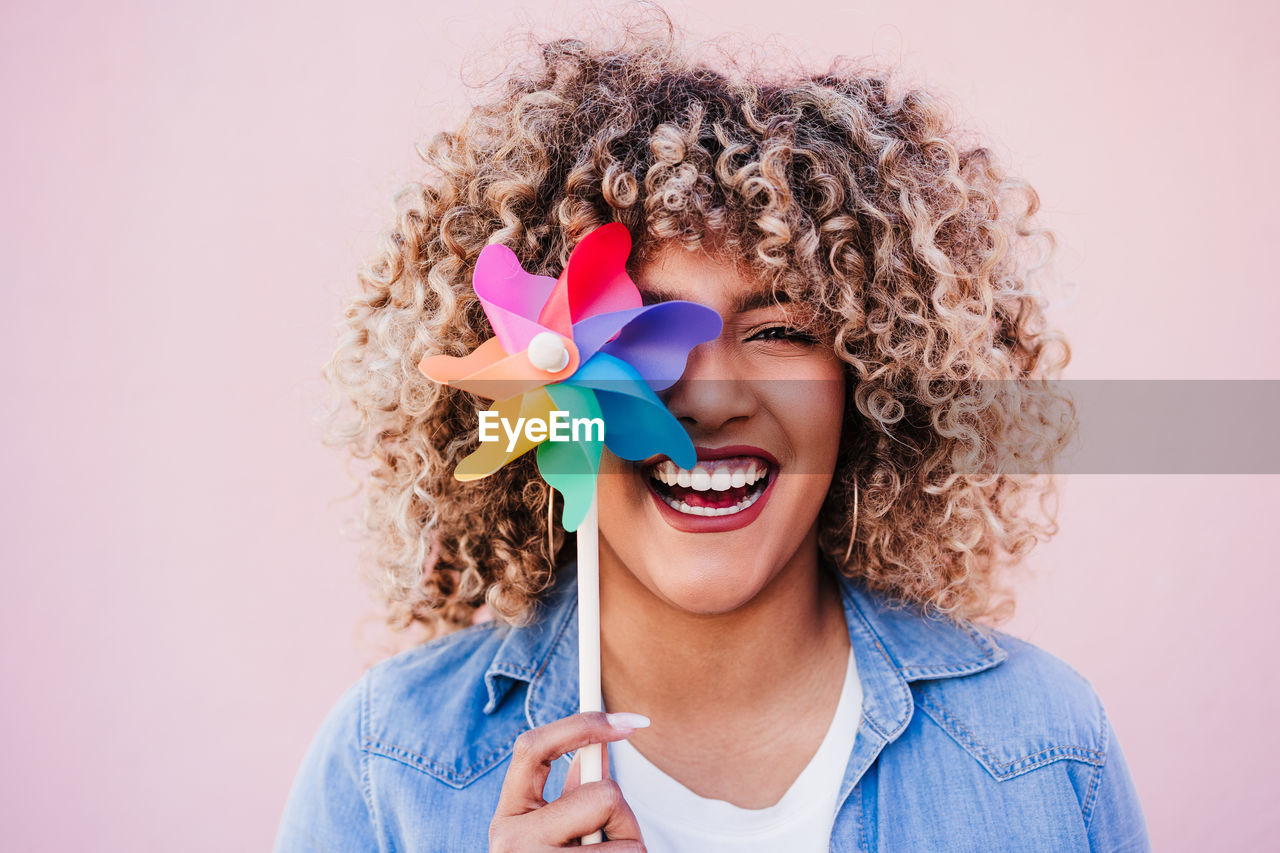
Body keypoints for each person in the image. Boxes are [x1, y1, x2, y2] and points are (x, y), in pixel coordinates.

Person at [275, 17, 1150, 853]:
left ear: (872, 383)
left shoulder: (1045, 750)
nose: (708, 399)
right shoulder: (384, 764)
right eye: (638, 333)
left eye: (778, 330)